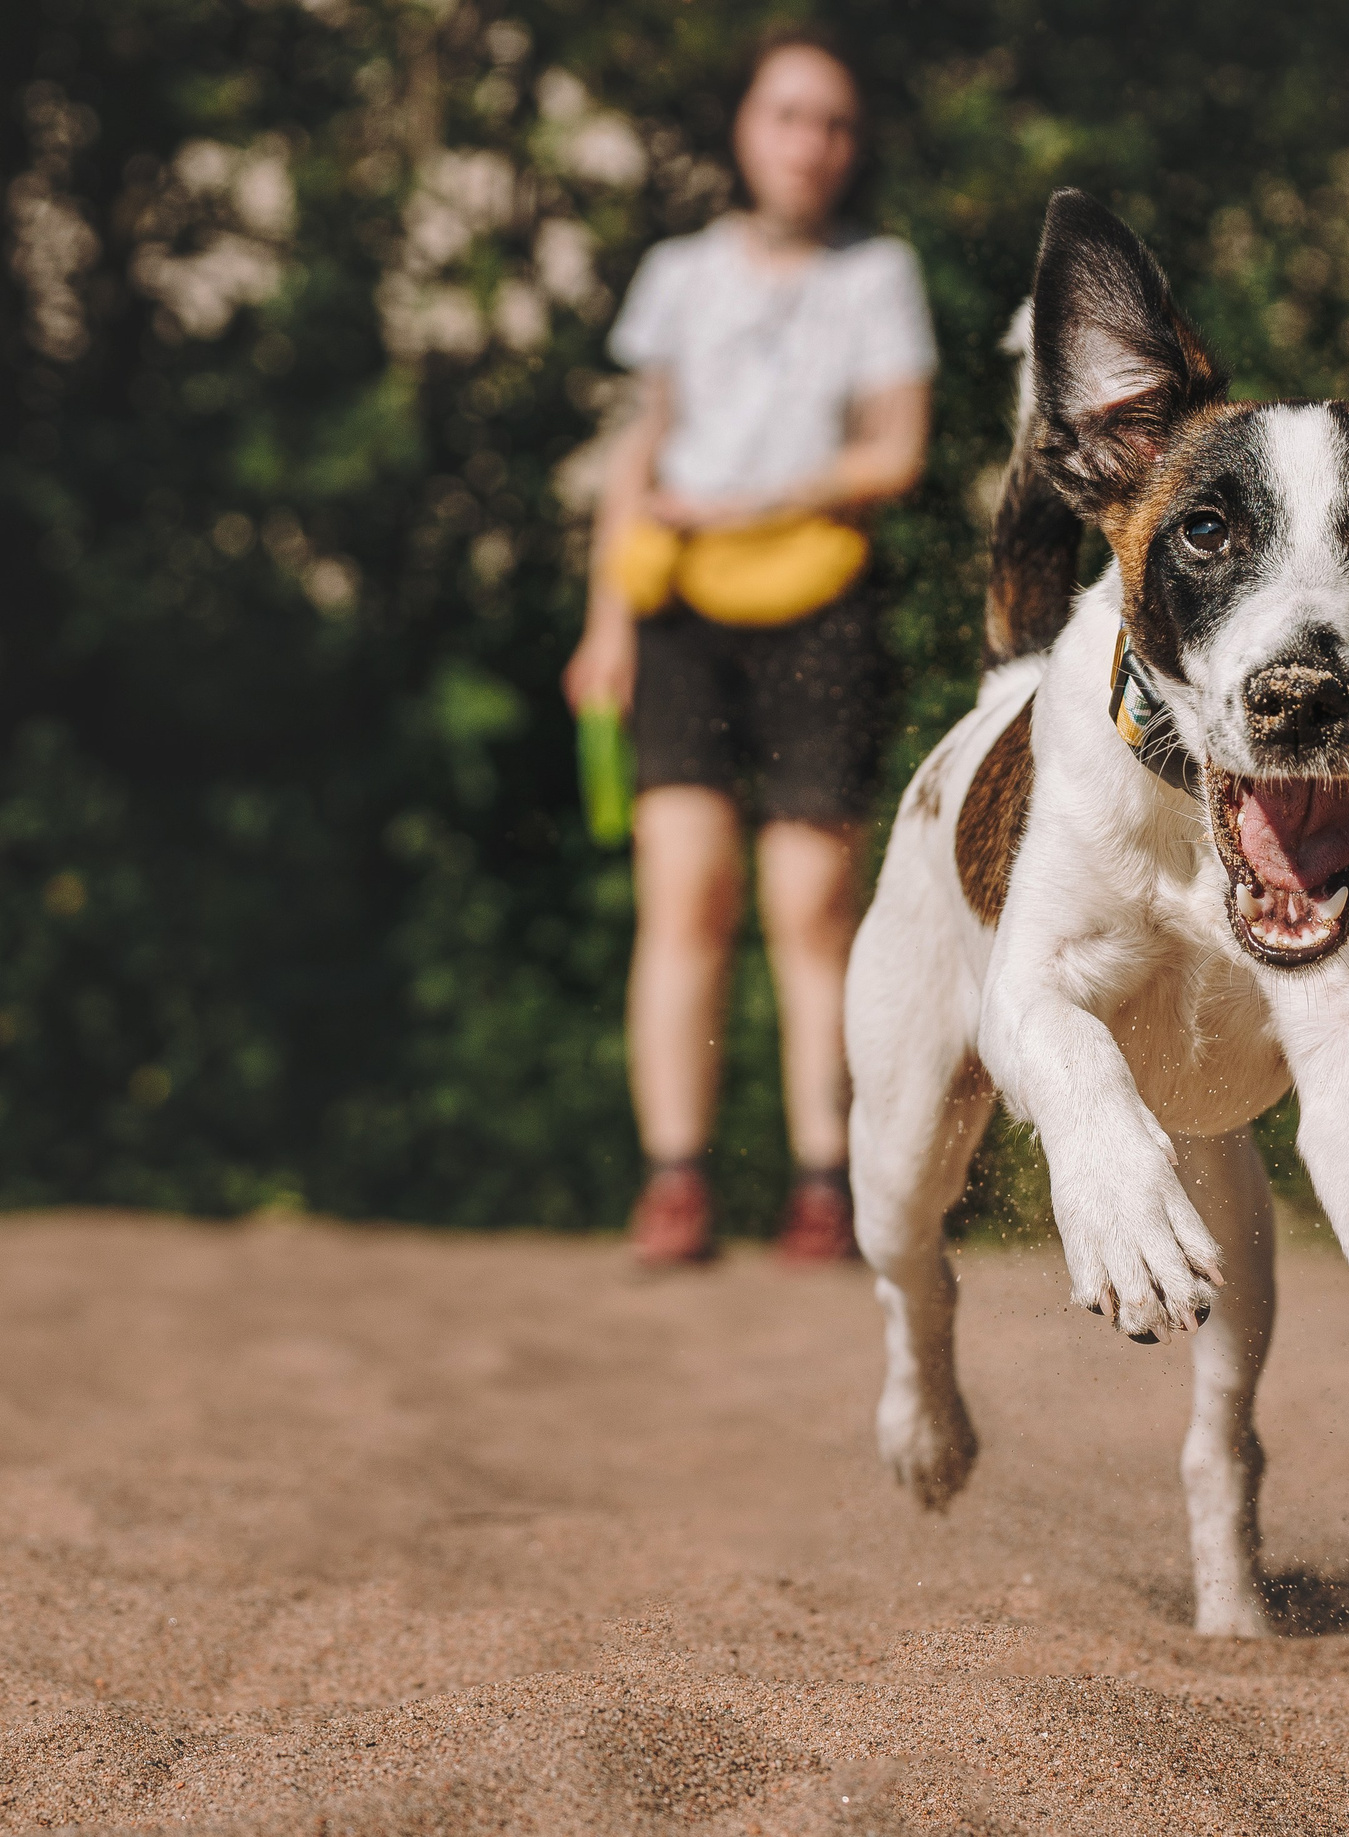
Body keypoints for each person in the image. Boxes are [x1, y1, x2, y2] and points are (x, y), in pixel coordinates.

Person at [561, 24, 933, 1267]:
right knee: (684, 898)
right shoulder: (677, 272)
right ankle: (676, 1182)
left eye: (832, 123)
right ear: (746, 130)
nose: (810, 143)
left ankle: (825, 1187)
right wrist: (606, 622)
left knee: (813, 904)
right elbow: (639, 448)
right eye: (789, 116)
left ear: (849, 147)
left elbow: (896, 453)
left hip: (818, 604)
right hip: (674, 613)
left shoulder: (878, 276)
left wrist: (752, 505)